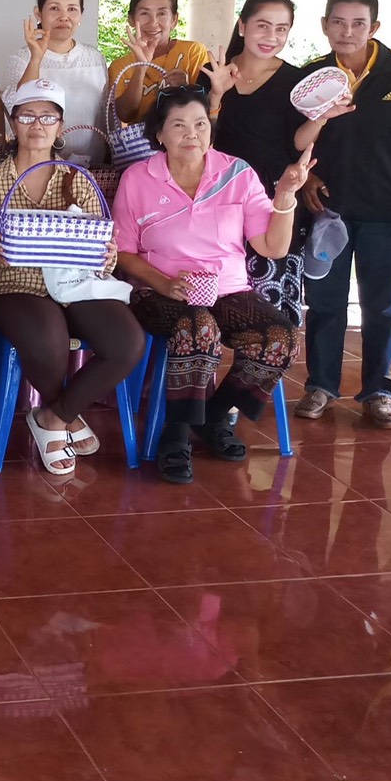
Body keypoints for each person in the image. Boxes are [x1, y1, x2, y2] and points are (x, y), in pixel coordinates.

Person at [113, 86, 310, 483]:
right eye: (179, 125)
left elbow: (272, 247)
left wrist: (285, 196)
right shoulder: (138, 178)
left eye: (200, 124)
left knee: (280, 338)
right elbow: (123, 253)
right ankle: (175, 435)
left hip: (227, 289)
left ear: (211, 129)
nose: (192, 134)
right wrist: (163, 282)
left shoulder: (237, 173)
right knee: (199, 328)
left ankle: (212, 416)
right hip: (158, 291)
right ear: (159, 135)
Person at [0, 79, 143, 477]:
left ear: (60, 126)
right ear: (13, 124)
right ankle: (66, 416)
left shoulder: (78, 179)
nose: (36, 125)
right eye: (26, 116)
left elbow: (99, 248)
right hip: (14, 286)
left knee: (127, 341)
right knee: (48, 334)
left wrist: (106, 256)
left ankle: (53, 417)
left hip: (76, 284)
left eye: (47, 117)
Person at [294, 0, 391, 429]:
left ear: (374, 28)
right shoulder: (312, 76)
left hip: (387, 212)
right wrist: (308, 182)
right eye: (338, 22)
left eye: (358, 23)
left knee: (382, 306)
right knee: (324, 303)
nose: (347, 31)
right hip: (327, 213)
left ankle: (378, 391)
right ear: (324, 25)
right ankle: (320, 385)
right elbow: (295, 138)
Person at [202, 0, 307, 325]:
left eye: (281, 29)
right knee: (208, 313)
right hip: (216, 203)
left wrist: (321, 116)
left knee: (267, 320)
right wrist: (216, 95)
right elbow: (197, 139)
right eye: (263, 26)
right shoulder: (213, 73)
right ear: (243, 26)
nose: (271, 37)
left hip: (269, 204)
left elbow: (298, 144)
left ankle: (256, 375)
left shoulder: (295, 81)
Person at [0, 0, 107, 162]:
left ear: (81, 14)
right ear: (39, 13)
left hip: (92, 167)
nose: (64, 16)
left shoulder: (95, 58)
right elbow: (17, 109)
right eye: (54, 8)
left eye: (72, 9)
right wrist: (36, 57)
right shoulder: (21, 59)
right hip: (37, 165)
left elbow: (105, 113)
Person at [109, 0, 210, 123]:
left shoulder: (193, 52)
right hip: (140, 145)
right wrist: (140, 68)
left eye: (161, 13)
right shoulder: (120, 66)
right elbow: (125, 115)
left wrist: (185, 89)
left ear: (174, 20)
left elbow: (207, 108)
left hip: (186, 142)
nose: (153, 22)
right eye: (144, 13)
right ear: (131, 19)